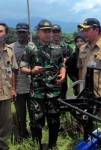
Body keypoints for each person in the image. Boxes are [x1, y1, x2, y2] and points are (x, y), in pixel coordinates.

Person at [20, 19, 66, 150]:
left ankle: (52, 145)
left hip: (54, 92)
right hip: (37, 92)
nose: (48, 34)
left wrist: (63, 74)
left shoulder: (58, 48)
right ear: (38, 32)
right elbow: (22, 67)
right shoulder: (31, 47)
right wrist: (31, 71)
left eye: (50, 31)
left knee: (54, 120)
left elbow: (62, 64)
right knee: (36, 122)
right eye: (45, 31)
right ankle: (37, 146)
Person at [9, 23, 31, 139]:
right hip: (18, 86)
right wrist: (12, 88)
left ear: (28, 33)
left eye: (24, 32)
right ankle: (22, 134)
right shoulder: (11, 48)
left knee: (34, 113)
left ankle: (35, 134)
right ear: (16, 33)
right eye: (20, 32)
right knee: (21, 114)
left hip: (33, 86)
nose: (22, 34)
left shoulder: (33, 46)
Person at [0, 23, 18, 150]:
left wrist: (13, 89)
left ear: (5, 33)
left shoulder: (10, 52)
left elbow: (13, 72)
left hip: (6, 93)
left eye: (0, 31)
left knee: (5, 125)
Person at [52, 24, 73, 99]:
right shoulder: (47, 46)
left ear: (60, 33)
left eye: (58, 31)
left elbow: (71, 59)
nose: (56, 34)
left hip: (63, 75)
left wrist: (66, 60)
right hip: (50, 76)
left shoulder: (66, 46)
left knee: (63, 95)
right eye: (54, 32)